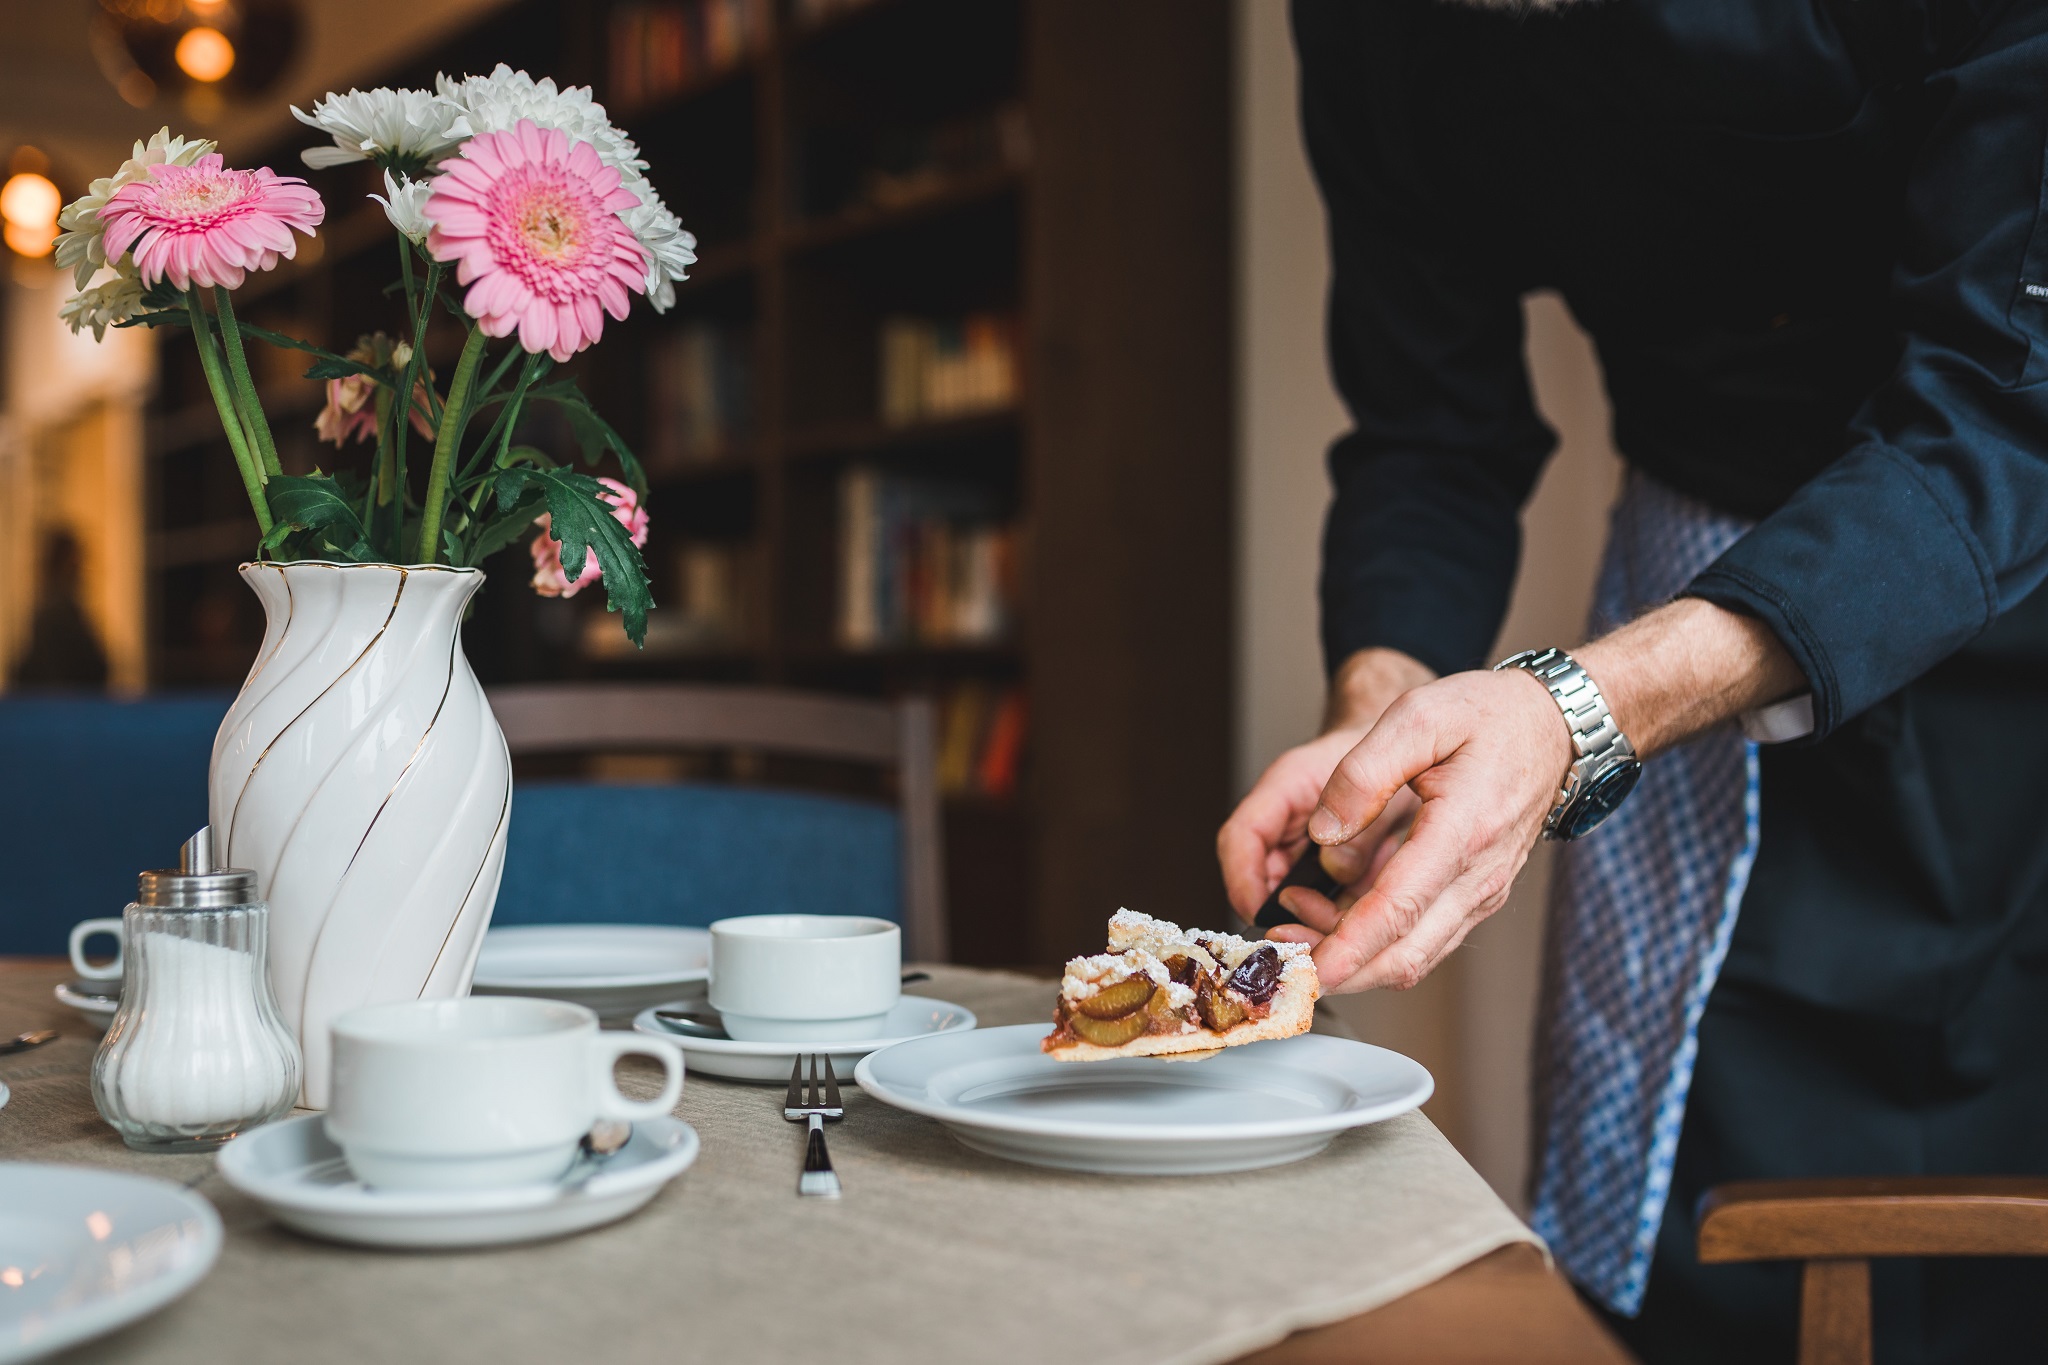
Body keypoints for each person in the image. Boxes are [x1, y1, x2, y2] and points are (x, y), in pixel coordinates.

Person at [1217, 3, 2048, 1361]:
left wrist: (1577, 713)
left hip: (1998, 598)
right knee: (1663, 1215)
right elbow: (1432, 425)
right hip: (1672, 579)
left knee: (1921, 1249)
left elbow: (2006, 414)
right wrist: (1381, 707)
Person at [10, 528, 108, 691]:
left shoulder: (62, 608)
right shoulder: (55, 611)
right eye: (75, 564)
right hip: (62, 704)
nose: (81, 572)